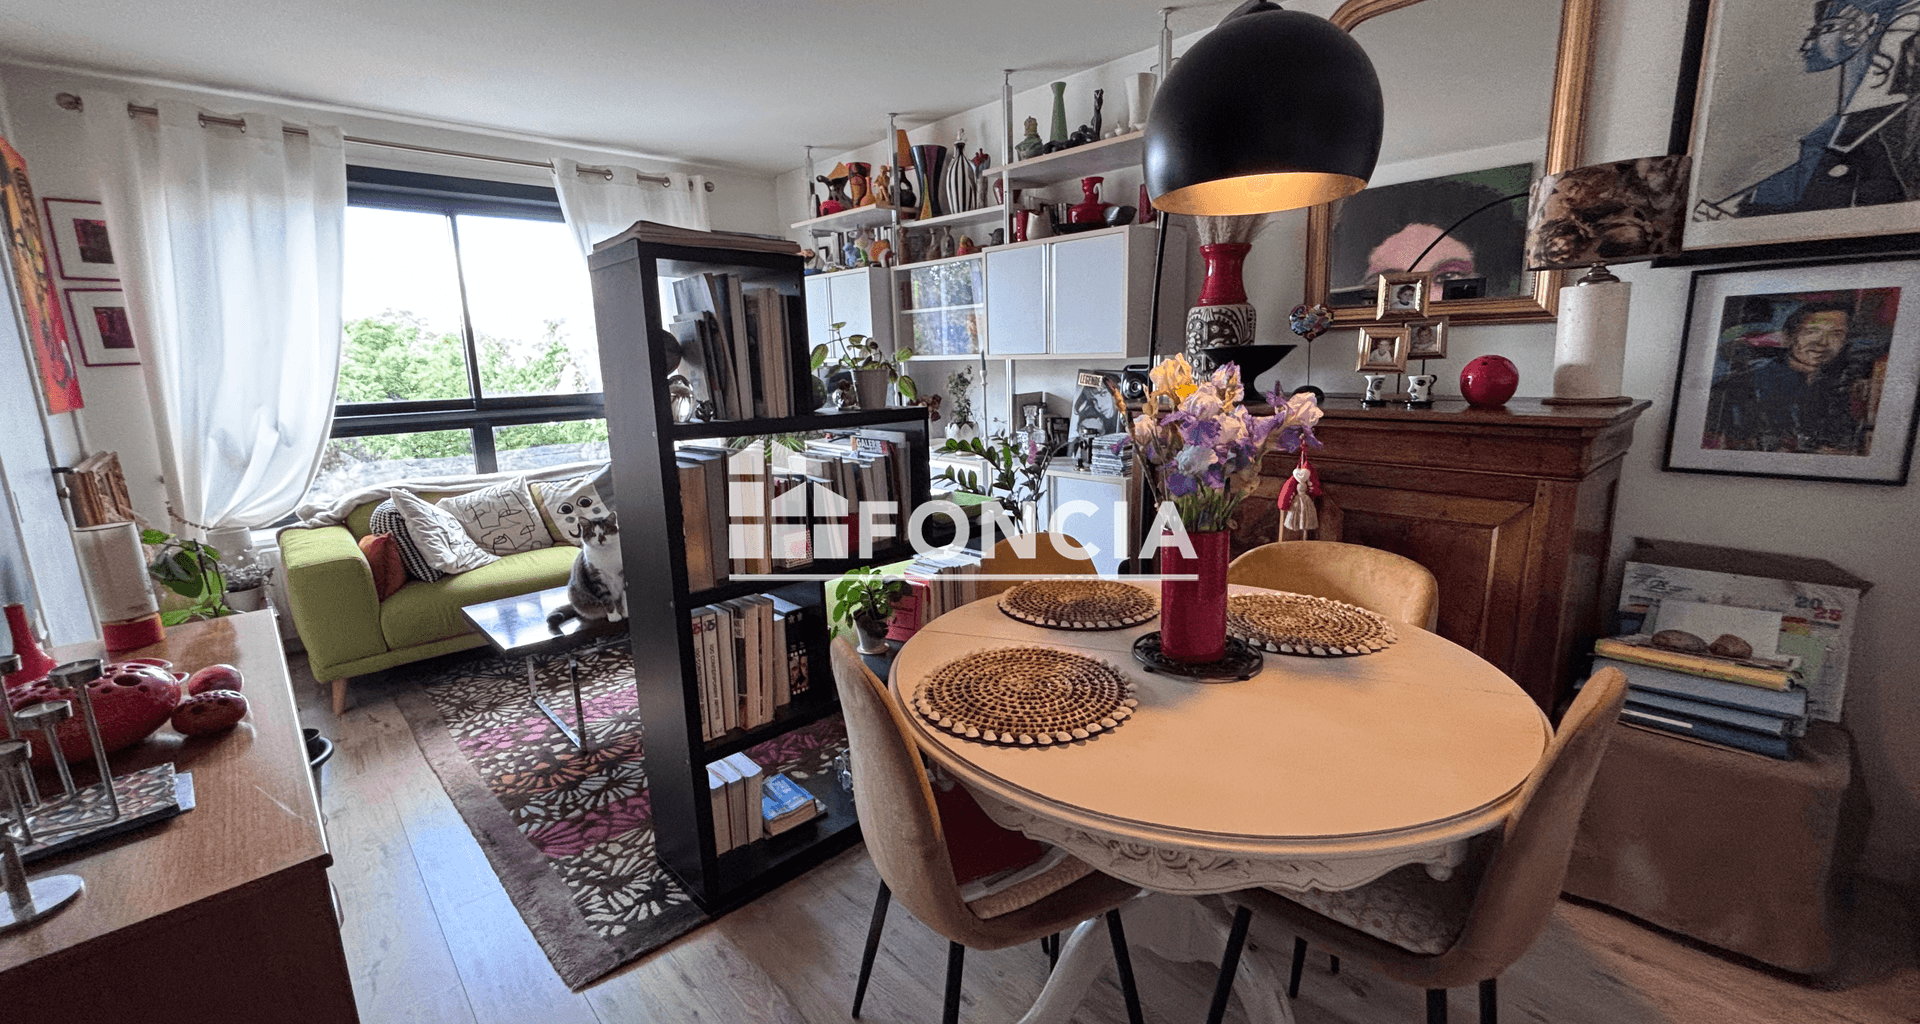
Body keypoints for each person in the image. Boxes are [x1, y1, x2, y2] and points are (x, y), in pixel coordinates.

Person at [1700, 0, 1920, 218]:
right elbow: (1810, 173)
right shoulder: (1845, 127)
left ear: (1867, 25)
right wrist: (1730, 210)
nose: (1807, 45)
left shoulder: (1884, 119)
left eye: (1824, 29)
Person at [1703, 299, 1877, 454]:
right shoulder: (1738, 386)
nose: (1823, 342)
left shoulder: (1840, 387)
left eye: (1836, 334)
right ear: (1788, 337)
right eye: (1811, 331)